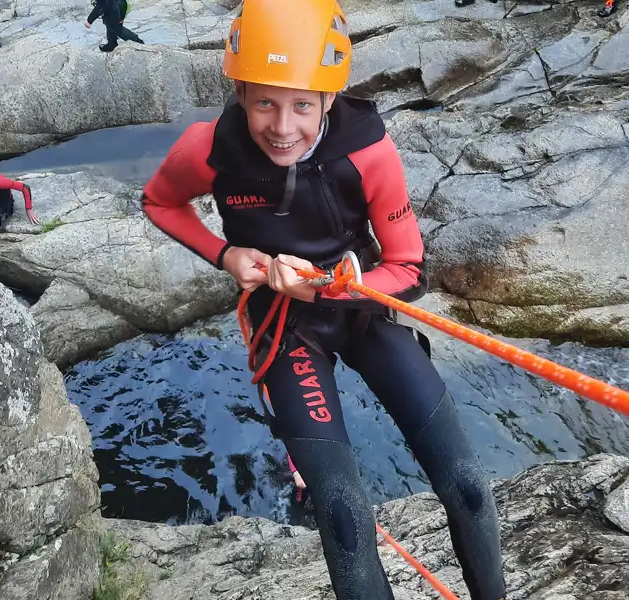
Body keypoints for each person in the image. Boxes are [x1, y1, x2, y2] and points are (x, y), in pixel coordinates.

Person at [140, 0, 507, 598]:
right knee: (342, 516)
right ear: (239, 93)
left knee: (467, 483)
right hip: (285, 330)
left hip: (362, 312)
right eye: (264, 102)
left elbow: (408, 267)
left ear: (330, 100)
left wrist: (333, 284)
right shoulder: (208, 149)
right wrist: (225, 255)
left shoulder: (367, 151)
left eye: (302, 105)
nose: (283, 127)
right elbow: (160, 202)